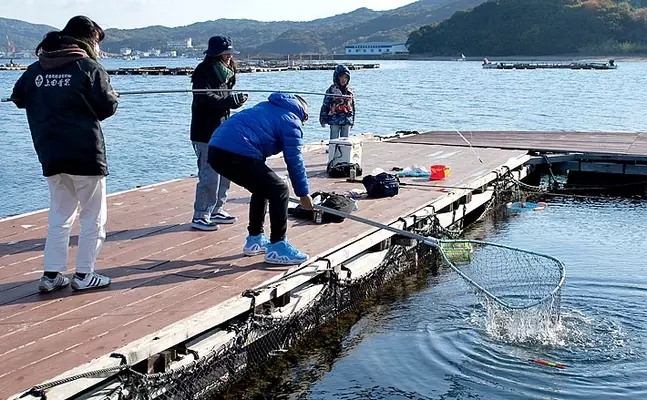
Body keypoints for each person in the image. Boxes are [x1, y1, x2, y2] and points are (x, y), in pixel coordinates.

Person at [10, 15, 118, 293]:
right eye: (96, 41)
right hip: (85, 154)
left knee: (60, 216)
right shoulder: (88, 67)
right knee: (93, 216)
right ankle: (84, 274)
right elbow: (106, 108)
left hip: (50, 152)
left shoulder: (35, 69)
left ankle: (52, 274)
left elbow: (19, 98)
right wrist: (113, 96)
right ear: (87, 40)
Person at [208, 93, 314, 266]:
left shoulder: (266, 107)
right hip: (235, 152)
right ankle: (278, 246)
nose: (304, 122)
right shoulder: (292, 120)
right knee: (280, 189)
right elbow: (295, 161)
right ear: (302, 110)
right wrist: (303, 194)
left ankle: (255, 239)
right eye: (306, 117)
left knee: (264, 187)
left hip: (216, 150)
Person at [190, 35, 248, 231]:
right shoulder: (203, 71)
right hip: (204, 131)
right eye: (225, 53)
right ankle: (200, 215)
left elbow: (224, 98)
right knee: (209, 175)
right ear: (215, 55)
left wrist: (236, 100)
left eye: (230, 52)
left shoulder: (227, 72)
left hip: (223, 130)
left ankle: (217, 209)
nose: (229, 56)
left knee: (225, 171)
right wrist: (230, 101)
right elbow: (205, 98)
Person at [319, 64, 355, 139]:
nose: (343, 79)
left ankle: (343, 150)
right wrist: (323, 119)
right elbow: (325, 105)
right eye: (341, 77)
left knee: (345, 142)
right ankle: (332, 150)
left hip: (347, 119)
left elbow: (353, 106)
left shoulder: (350, 91)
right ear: (337, 77)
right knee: (334, 140)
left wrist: (352, 120)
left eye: (345, 77)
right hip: (334, 119)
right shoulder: (331, 90)